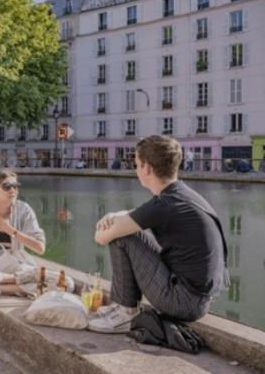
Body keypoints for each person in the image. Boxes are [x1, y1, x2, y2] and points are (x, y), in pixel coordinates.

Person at [88, 136, 229, 334]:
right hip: (199, 299)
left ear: (146, 168)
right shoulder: (182, 195)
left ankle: (125, 312)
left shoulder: (162, 205)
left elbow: (102, 238)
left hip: (183, 302)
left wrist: (108, 225)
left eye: (136, 164)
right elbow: (135, 213)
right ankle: (123, 307)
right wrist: (113, 216)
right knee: (129, 229)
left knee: (123, 236)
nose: (136, 169)